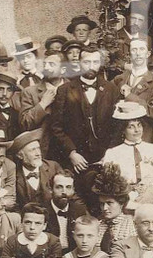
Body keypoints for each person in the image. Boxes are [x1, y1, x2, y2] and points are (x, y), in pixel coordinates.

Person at [49, 44, 119, 173]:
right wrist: (71, 153)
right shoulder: (64, 90)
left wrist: (110, 153)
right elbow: (56, 127)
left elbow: (117, 126)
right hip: (76, 160)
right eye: (87, 62)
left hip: (105, 157)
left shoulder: (111, 89)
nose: (91, 66)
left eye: (95, 62)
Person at [102, 101, 153, 205]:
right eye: (131, 127)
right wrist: (130, 192)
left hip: (152, 197)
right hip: (125, 199)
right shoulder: (113, 153)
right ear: (123, 130)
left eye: (139, 125)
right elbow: (111, 183)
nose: (137, 130)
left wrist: (150, 189)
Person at [14, 49, 65, 152]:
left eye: (51, 64)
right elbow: (24, 124)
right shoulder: (30, 92)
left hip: (71, 151)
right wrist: (42, 104)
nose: (46, 68)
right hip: (44, 150)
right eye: (45, 64)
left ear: (63, 70)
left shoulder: (74, 89)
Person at [83, 162, 139, 253]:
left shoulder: (132, 225)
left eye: (109, 203)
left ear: (121, 203)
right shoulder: (97, 225)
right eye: (102, 203)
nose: (104, 208)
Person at [112, 39, 153, 128]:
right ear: (129, 55)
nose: (138, 53)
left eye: (141, 49)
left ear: (148, 54)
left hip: (143, 131)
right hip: (121, 132)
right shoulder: (119, 79)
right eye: (134, 50)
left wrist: (129, 96)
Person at [11, 129, 62, 207]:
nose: (38, 153)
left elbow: (69, 194)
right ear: (20, 155)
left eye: (38, 148)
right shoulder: (13, 173)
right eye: (32, 150)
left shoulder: (53, 167)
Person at [43, 168, 87, 252]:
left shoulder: (79, 210)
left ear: (73, 190)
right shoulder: (42, 211)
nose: (64, 192)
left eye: (68, 187)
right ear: (50, 189)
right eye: (59, 187)